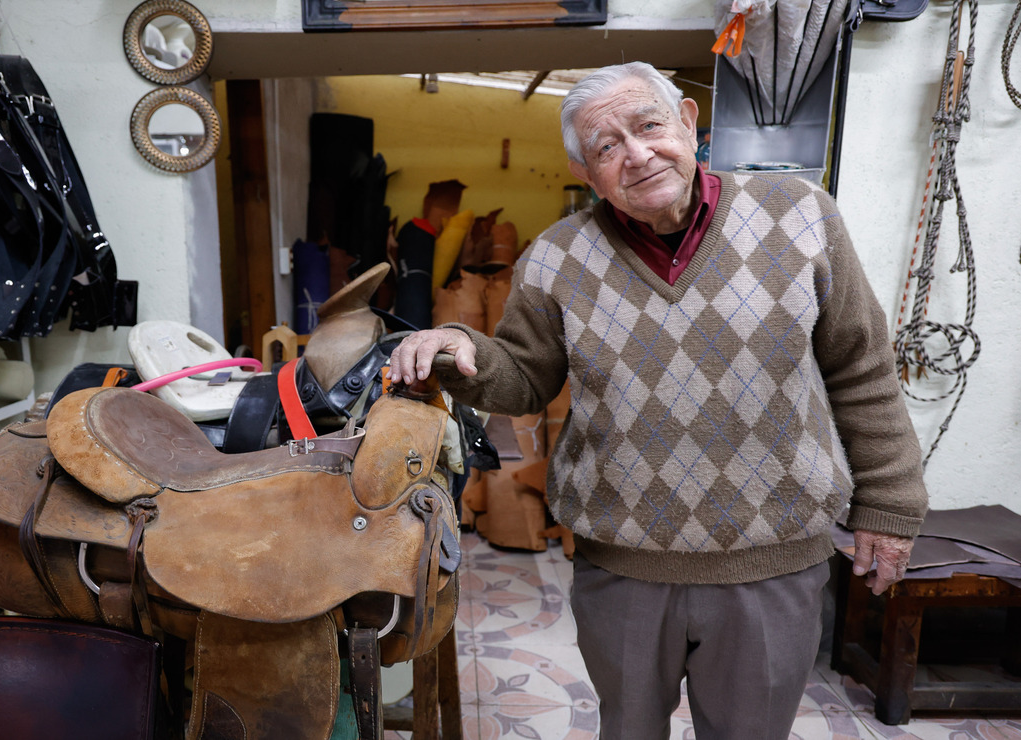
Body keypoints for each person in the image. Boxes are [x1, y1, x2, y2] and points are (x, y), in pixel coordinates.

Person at [388, 62, 928, 740]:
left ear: (686, 123)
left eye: (646, 126)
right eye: (606, 146)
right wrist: (454, 346)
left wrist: (889, 504)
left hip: (771, 565)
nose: (636, 154)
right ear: (585, 171)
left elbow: (861, 368)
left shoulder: (800, 217)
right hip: (623, 569)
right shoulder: (556, 257)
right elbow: (524, 376)